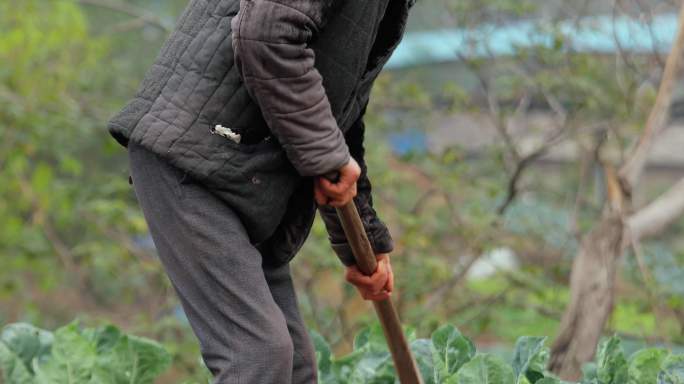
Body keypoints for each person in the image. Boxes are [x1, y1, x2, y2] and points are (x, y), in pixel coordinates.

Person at [108, 0, 414, 382]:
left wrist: (361, 240)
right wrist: (325, 155)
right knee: (257, 354)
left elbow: (334, 113)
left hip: (247, 175)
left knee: (296, 367)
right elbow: (266, 33)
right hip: (194, 156)